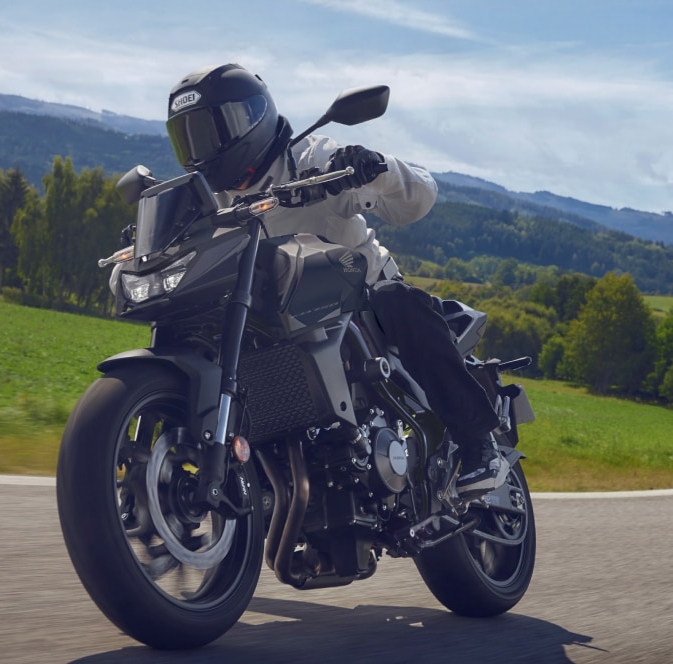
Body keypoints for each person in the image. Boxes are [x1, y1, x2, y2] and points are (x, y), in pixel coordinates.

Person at [163, 63, 506, 496]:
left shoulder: (311, 158)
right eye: (188, 138)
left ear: (250, 119)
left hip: (359, 296)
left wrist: (375, 166)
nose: (201, 150)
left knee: (400, 303)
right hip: (275, 313)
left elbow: (418, 200)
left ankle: (479, 443)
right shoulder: (208, 200)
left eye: (209, 132)